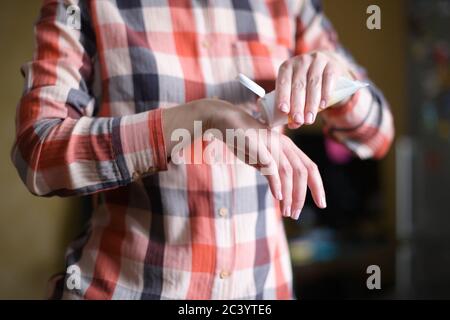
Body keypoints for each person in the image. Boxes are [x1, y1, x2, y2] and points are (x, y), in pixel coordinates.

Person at [11, 0, 394, 299]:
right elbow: (39, 154)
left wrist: (337, 76)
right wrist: (200, 118)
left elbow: (377, 135)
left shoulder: (290, 6)